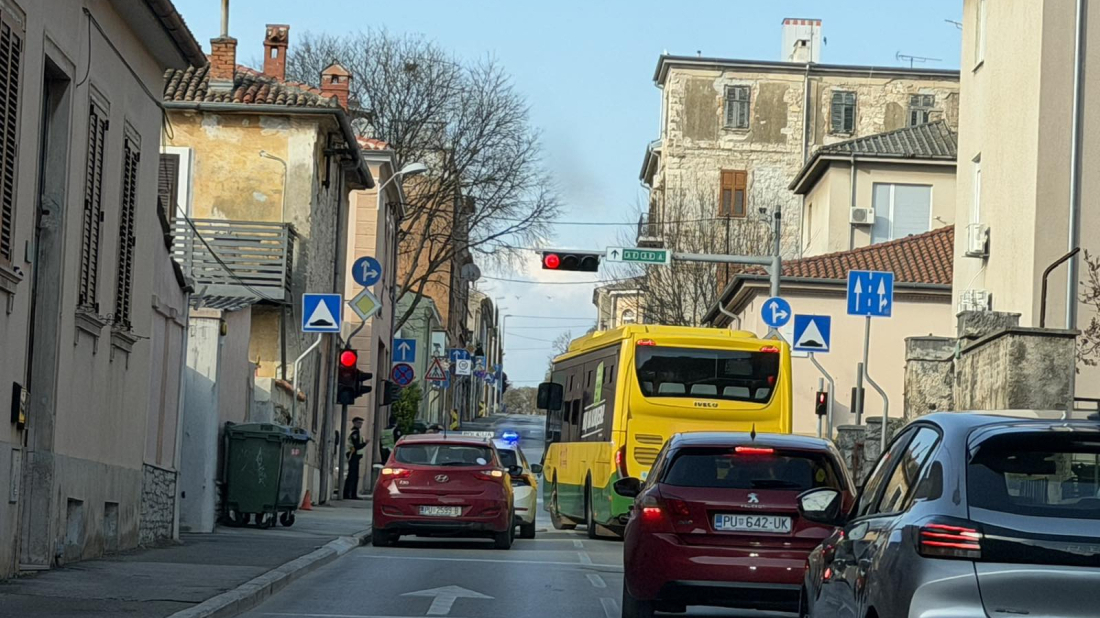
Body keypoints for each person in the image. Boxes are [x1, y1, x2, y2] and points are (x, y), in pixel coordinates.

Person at [343, 418, 368, 500]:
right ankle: (350, 494)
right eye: (358, 423)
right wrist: (365, 443)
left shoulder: (357, 432)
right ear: (354, 423)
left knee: (353, 476)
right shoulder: (355, 432)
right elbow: (357, 446)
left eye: (361, 423)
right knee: (352, 476)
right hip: (353, 455)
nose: (360, 424)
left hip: (355, 456)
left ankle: (350, 494)